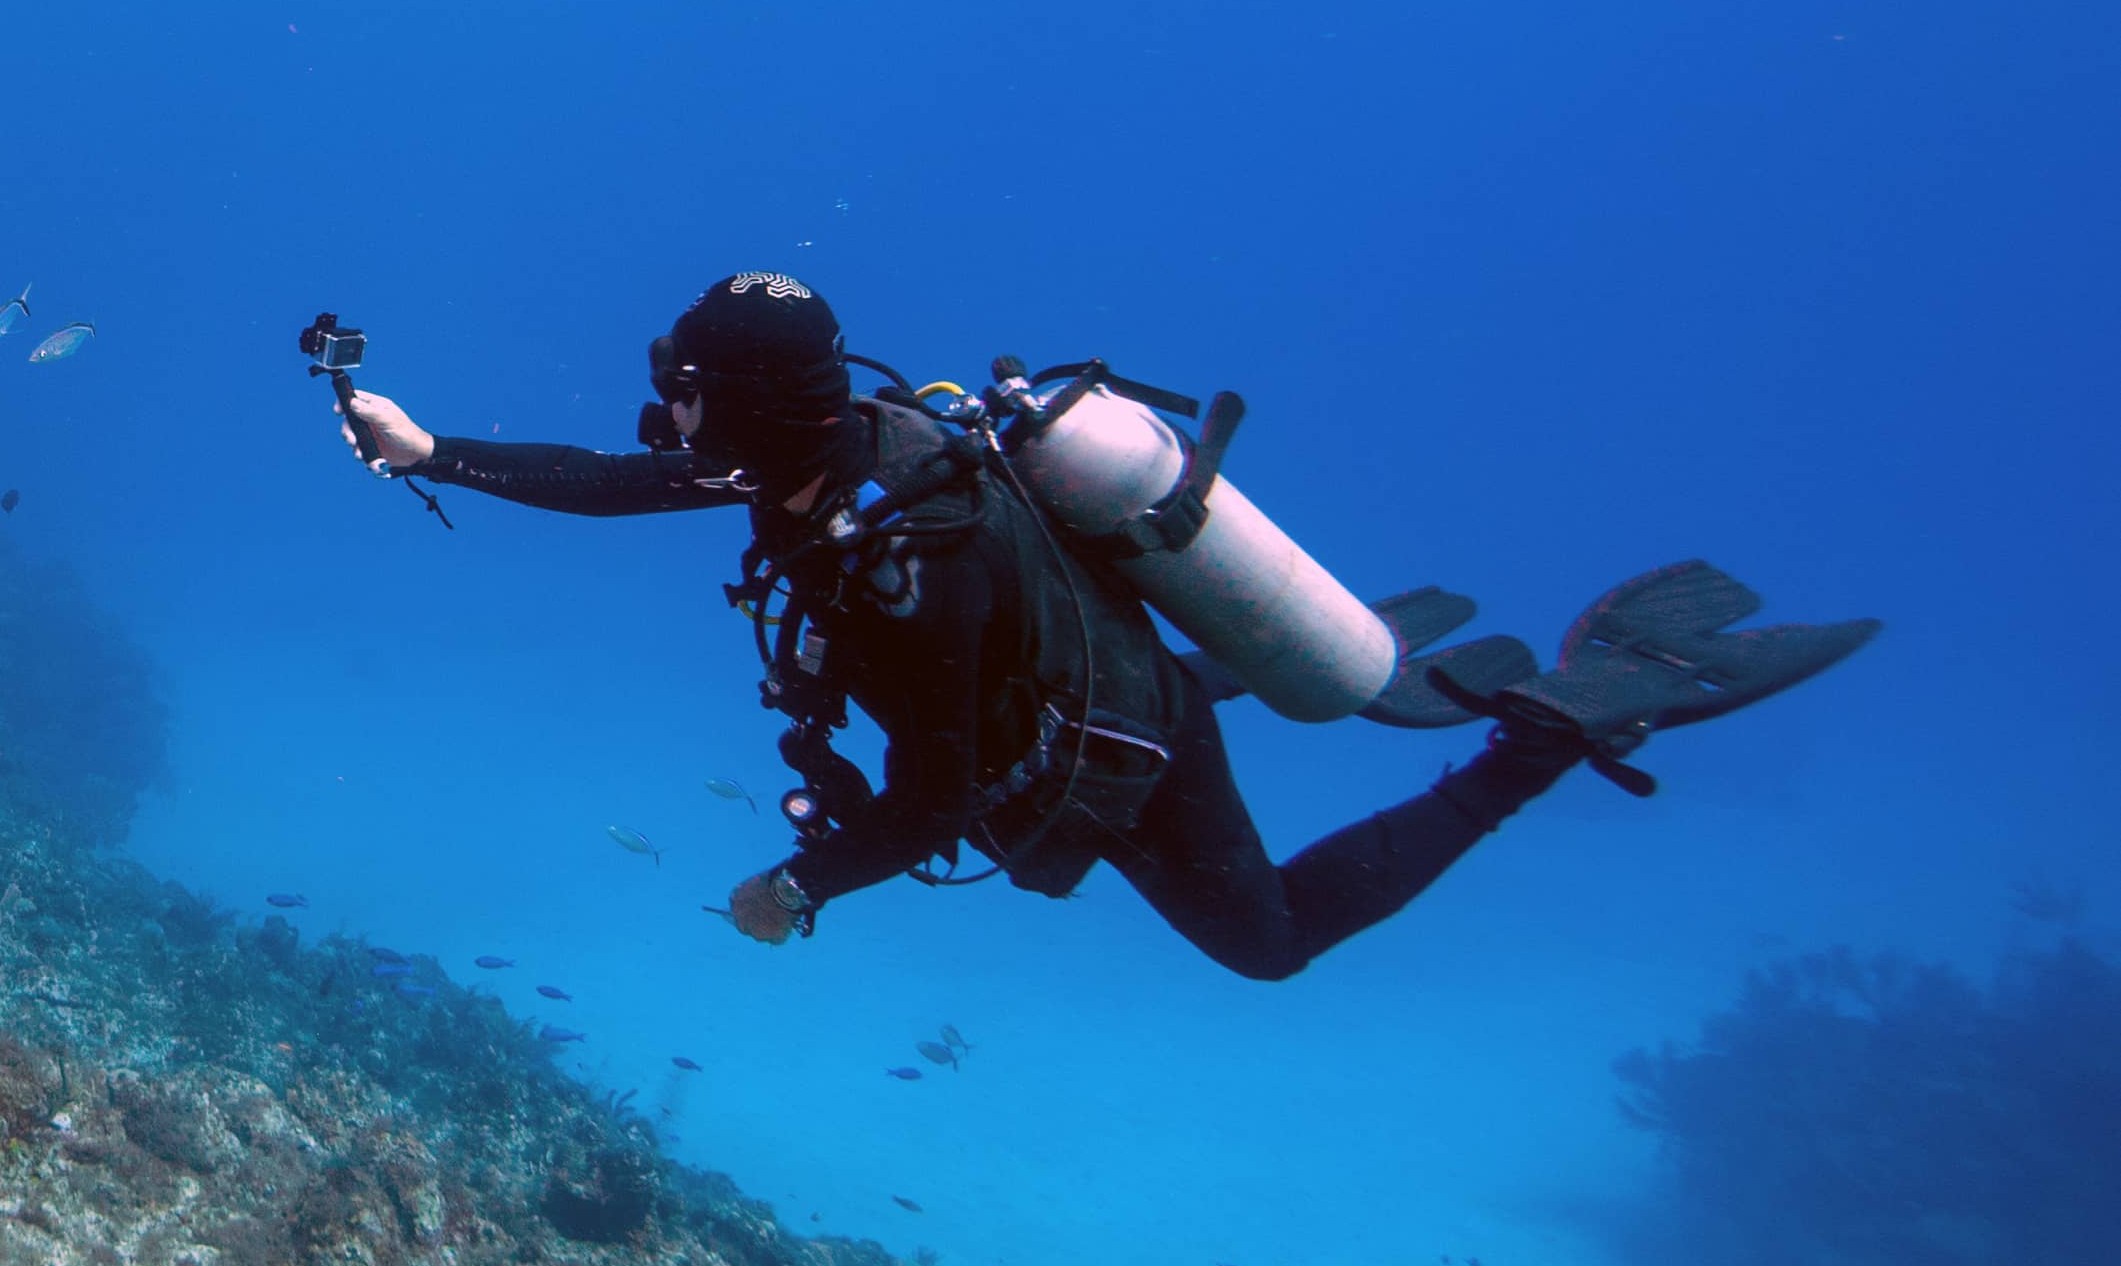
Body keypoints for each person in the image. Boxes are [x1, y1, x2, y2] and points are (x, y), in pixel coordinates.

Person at [338, 272, 1877, 977]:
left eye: (685, 383)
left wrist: (799, 882)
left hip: (1123, 745)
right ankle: (1210, 663)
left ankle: (1532, 743)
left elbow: (939, 791)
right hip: (1037, 679)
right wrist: (431, 451)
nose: (667, 405)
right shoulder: (827, 454)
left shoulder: (899, 559)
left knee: (1265, 943)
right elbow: (623, 482)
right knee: (1075, 693)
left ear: (742, 404)